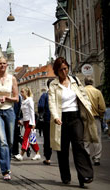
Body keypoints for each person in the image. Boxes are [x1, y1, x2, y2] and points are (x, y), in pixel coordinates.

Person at [48, 57, 98, 188]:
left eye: (65, 69)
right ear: (56, 71)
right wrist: (55, 116)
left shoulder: (75, 80)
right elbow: (52, 102)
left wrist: (88, 107)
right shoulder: (53, 85)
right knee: (62, 149)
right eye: (60, 70)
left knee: (79, 146)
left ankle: (84, 176)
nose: (64, 72)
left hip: (76, 117)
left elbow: (83, 95)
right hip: (61, 119)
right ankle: (65, 176)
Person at [15, 87, 41, 161]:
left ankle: (21, 154)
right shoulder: (23, 101)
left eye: (22, 92)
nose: (21, 93)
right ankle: (37, 153)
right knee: (32, 139)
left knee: (25, 138)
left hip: (30, 121)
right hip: (26, 121)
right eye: (21, 92)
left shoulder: (30, 100)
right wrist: (22, 121)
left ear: (26, 92)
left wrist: (33, 123)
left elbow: (32, 112)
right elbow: (24, 113)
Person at [84, 77, 106, 166]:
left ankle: (86, 155)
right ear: (92, 82)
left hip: (85, 118)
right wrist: (100, 115)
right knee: (97, 139)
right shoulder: (97, 92)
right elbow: (102, 107)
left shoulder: (81, 91)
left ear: (85, 82)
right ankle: (97, 158)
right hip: (95, 117)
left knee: (85, 138)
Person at [37, 78, 54, 165]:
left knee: (47, 139)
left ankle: (48, 158)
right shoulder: (59, 95)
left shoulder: (44, 95)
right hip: (59, 120)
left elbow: (40, 107)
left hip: (47, 120)